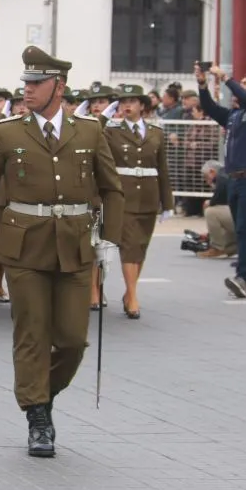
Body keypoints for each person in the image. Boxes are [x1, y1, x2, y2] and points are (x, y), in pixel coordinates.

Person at [0, 46, 123, 457]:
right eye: (26, 83)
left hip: (75, 242)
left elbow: (111, 188)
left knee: (72, 340)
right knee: (31, 334)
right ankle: (37, 416)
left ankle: (41, 392)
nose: (27, 90)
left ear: (59, 87)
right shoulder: (8, 131)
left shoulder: (89, 130)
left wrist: (110, 239)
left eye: (36, 84)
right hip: (24, 244)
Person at [196, 64, 246, 299]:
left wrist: (227, 78)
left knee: (245, 228)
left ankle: (243, 276)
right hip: (236, 178)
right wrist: (202, 84)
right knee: (244, 230)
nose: (242, 87)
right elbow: (210, 108)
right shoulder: (235, 116)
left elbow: (245, 98)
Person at [99, 84, 174, 319]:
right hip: (124, 196)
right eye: (122, 102)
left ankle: (129, 292)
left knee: (141, 246)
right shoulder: (111, 131)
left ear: (142, 105)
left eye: (132, 101)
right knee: (129, 245)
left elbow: (162, 169)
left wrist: (168, 202)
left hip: (149, 198)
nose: (127, 106)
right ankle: (132, 296)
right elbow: (92, 135)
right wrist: (104, 116)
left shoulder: (156, 133)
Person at [196, 160, 235, 257]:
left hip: (239, 217)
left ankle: (217, 248)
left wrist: (209, 202)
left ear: (212, 172)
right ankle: (231, 247)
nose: (206, 181)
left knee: (211, 212)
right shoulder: (227, 174)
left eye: (206, 177)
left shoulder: (221, 178)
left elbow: (217, 199)